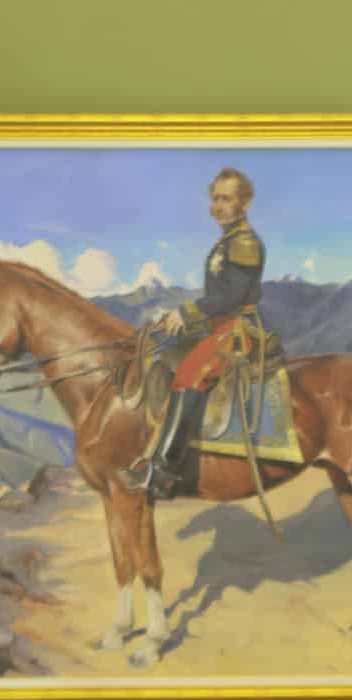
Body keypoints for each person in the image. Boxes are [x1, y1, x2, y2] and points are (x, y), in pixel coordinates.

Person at [120, 166, 267, 499]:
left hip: (237, 330)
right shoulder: (228, 240)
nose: (217, 206)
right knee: (160, 350)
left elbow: (232, 298)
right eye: (215, 199)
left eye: (226, 199)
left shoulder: (244, 243)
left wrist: (185, 313)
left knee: (190, 373)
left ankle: (163, 472)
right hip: (218, 325)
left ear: (244, 203)